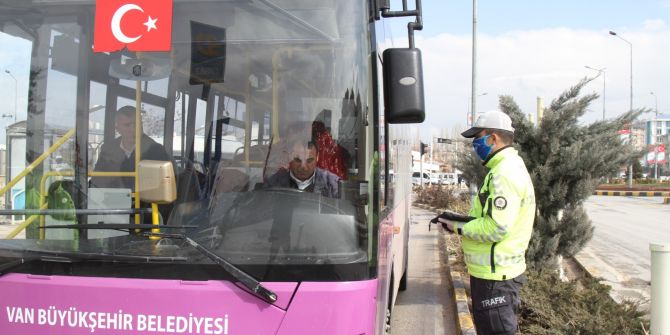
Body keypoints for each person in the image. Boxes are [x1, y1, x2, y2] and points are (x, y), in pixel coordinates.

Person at [434, 110, 535, 335]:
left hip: (495, 277)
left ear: (493, 138)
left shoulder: (504, 174)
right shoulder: (507, 168)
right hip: (497, 273)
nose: (474, 144)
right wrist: (458, 220)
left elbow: (496, 227)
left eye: (477, 138)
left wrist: (457, 226)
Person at [91, 105, 169, 189]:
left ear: (141, 125)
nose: (133, 129)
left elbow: (163, 186)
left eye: (136, 124)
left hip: (144, 200)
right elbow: (97, 181)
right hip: (112, 199)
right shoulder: (108, 149)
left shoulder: (155, 150)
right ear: (117, 128)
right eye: (127, 125)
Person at [265, 140, 340, 198]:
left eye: (309, 160)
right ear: (289, 157)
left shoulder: (333, 185)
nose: (303, 167)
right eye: (298, 160)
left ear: (317, 158)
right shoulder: (273, 184)